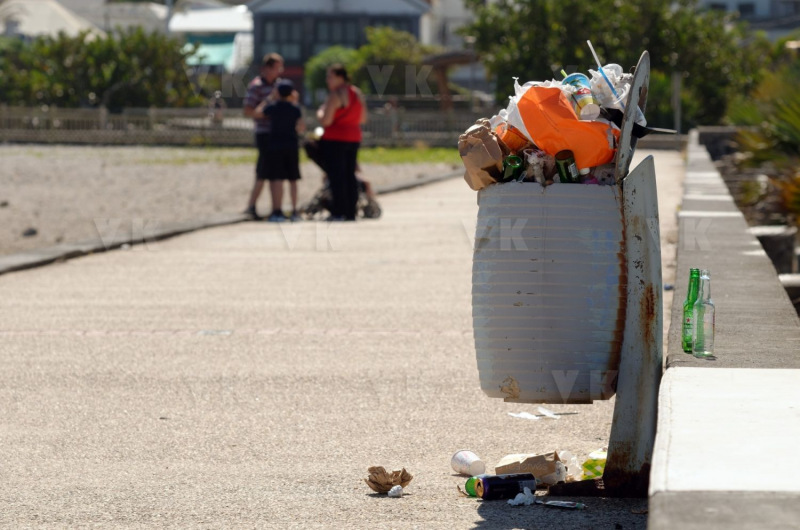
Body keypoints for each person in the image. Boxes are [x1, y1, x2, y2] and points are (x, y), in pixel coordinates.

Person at [316, 64, 367, 221]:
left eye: (330, 77)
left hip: (335, 138)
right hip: (354, 137)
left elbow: (326, 120)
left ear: (340, 77)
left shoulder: (335, 94)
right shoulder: (357, 93)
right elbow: (363, 118)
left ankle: (338, 211)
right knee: (350, 175)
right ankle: (351, 212)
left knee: (336, 175)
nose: (327, 80)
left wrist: (320, 112)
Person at [243, 53, 284, 220]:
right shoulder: (256, 86)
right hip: (264, 133)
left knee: (276, 173)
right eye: (277, 68)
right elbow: (248, 111)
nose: (280, 71)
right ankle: (251, 206)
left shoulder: (280, 85)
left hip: (279, 133)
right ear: (267, 68)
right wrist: (268, 106)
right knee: (263, 170)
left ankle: (276, 209)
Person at [261, 80, 305, 222]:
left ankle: (277, 211)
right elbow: (301, 127)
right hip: (291, 145)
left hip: (275, 146)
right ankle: (294, 211)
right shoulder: (295, 108)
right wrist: (295, 101)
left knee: (277, 179)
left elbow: (260, 112)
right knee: (293, 179)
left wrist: (270, 98)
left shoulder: (273, 107)